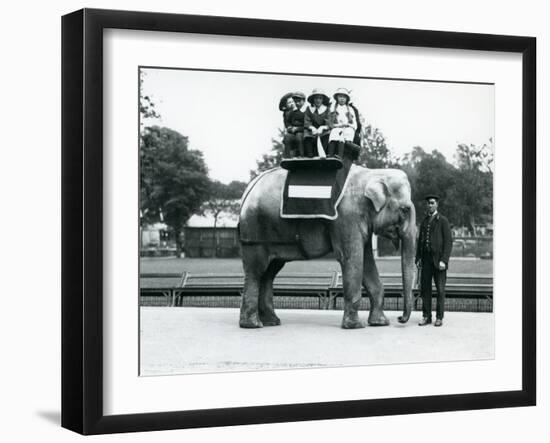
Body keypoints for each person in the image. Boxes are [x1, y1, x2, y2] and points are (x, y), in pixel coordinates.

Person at [416, 194, 453, 327]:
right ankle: (426, 316)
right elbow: (419, 242)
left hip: (439, 262)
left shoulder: (443, 221)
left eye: (432, 203)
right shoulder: (424, 221)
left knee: (440, 290)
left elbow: (448, 242)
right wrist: (418, 258)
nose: (430, 205)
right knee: (425, 290)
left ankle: (439, 317)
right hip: (426, 261)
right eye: (428, 203)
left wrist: (444, 260)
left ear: (437, 204)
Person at [327, 88, 357, 158]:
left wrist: (348, 125)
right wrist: (337, 125)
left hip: (348, 127)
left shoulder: (350, 109)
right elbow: (330, 122)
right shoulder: (333, 108)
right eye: (340, 96)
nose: (342, 99)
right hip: (337, 126)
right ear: (337, 98)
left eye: (344, 97)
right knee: (333, 133)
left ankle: (340, 155)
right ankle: (330, 154)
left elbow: (354, 124)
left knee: (343, 136)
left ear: (347, 99)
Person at [303, 89, 331, 157]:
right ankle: (310, 155)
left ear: (323, 100)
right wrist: (311, 127)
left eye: (320, 98)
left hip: (323, 131)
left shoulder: (326, 109)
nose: (318, 100)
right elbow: (307, 121)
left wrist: (323, 127)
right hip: (312, 131)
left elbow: (329, 122)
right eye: (316, 98)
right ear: (313, 99)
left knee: (327, 133)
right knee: (306, 133)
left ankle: (322, 154)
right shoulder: (309, 109)